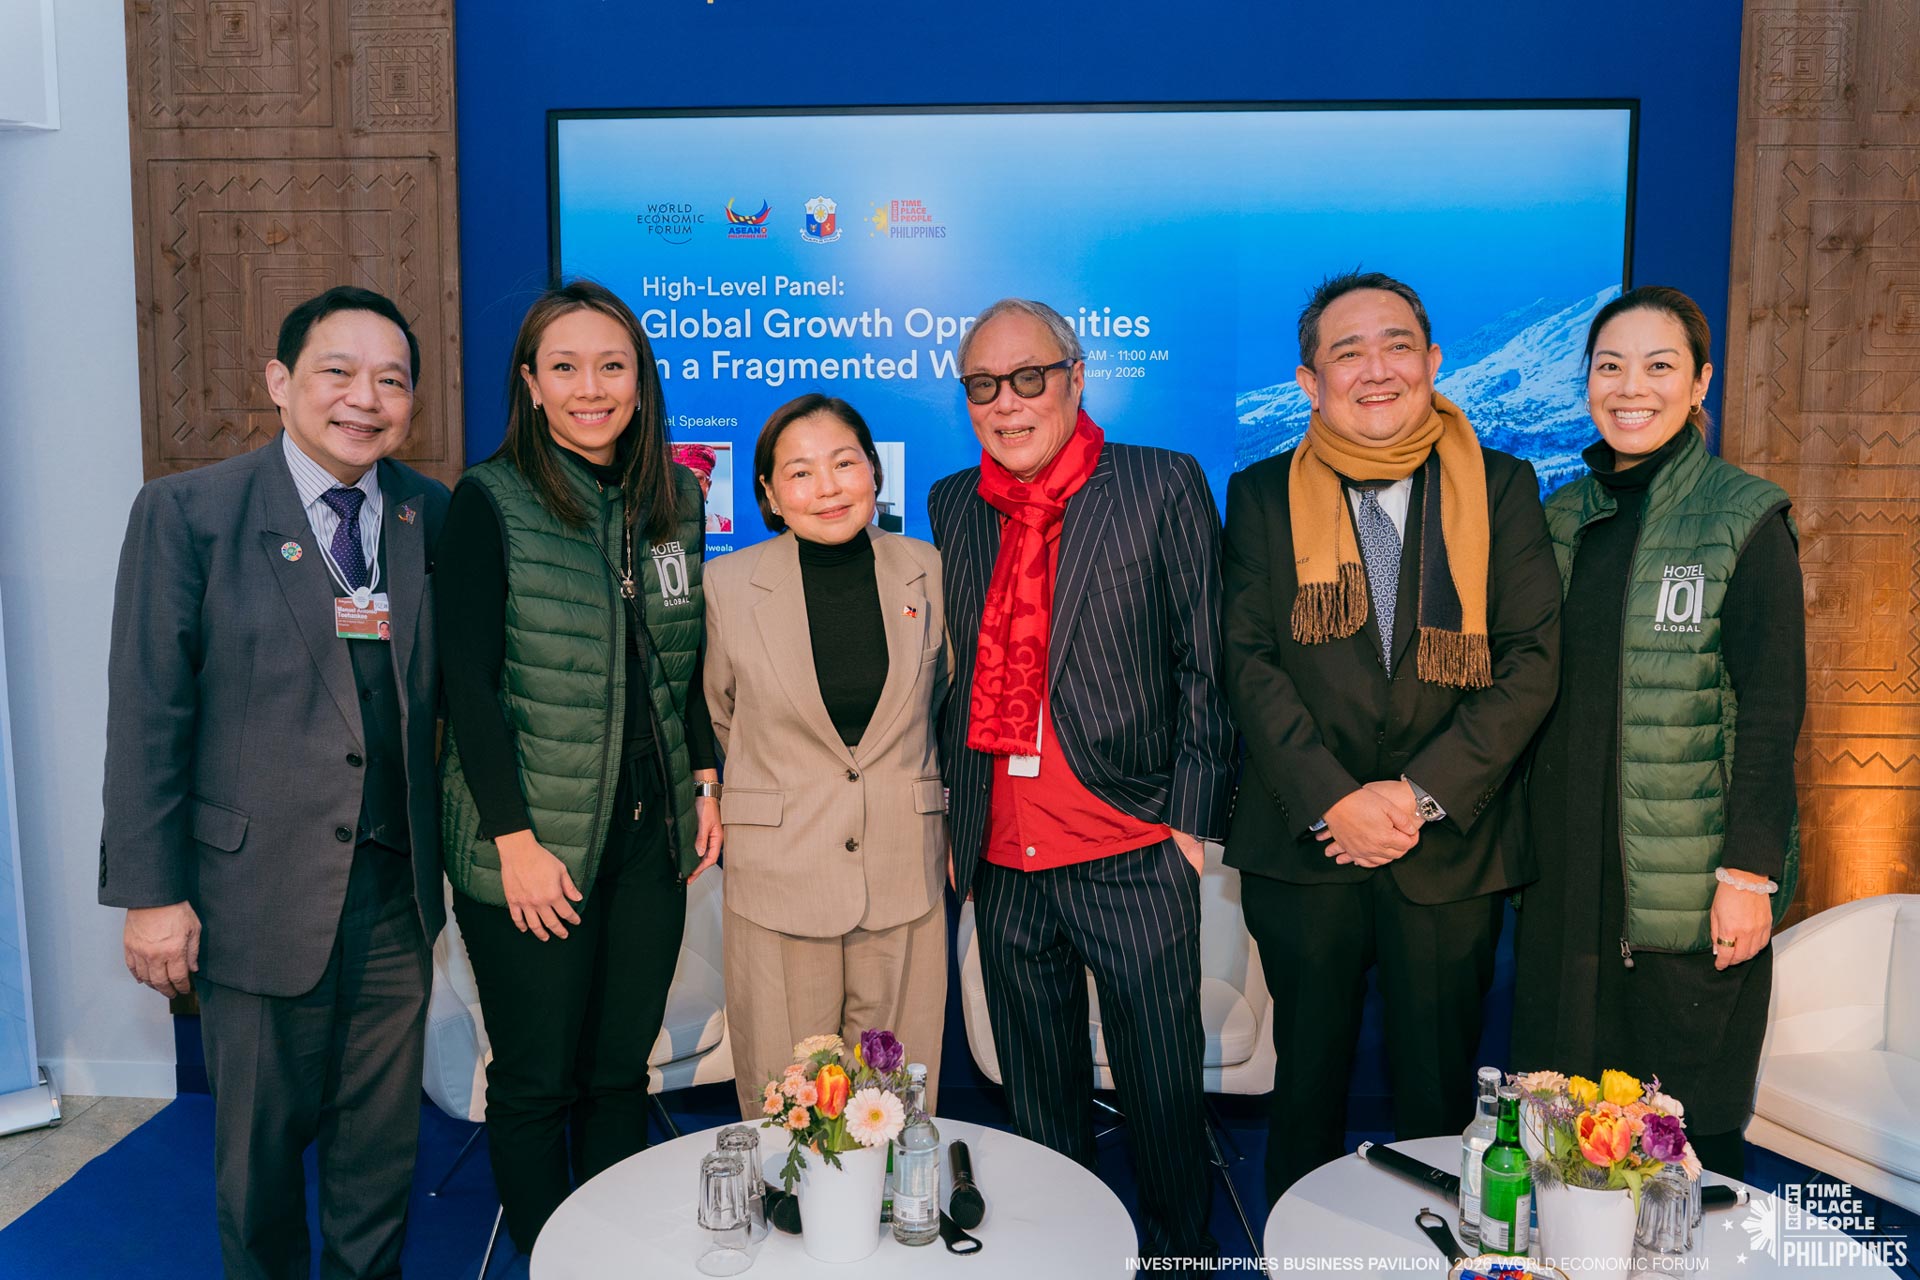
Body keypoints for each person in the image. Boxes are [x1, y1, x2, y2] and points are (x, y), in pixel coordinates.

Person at [102, 285, 449, 1279]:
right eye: (339, 372)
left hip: (394, 895)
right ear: (280, 382)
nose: (365, 399)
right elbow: (148, 715)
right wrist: (151, 895)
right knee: (256, 1166)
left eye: (392, 381)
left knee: (379, 1157)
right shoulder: (191, 512)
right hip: (250, 896)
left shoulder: (430, 514)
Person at [1220, 270, 1562, 1205]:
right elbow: (1247, 662)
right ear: (1309, 380)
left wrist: (1415, 796)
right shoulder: (1259, 495)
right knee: (1305, 1095)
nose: (1377, 369)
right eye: (1348, 352)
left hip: (1450, 848)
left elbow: (1533, 661)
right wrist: (1333, 798)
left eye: (1397, 345)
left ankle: (1436, 1256)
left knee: (1439, 1106)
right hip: (1307, 847)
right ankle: (1300, 1254)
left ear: (1434, 360)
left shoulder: (1501, 486)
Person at [929, 298, 1234, 1263]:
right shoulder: (952, 504)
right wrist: (958, 827)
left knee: (1162, 1095)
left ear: (1077, 376)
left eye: (1029, 378)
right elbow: (949, 681)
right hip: (1004, 861)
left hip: (1133, 844)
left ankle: (1179, 1258)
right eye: (984, 385)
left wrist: (1189, 827)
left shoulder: (1159, 482)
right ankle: (1065, 1259)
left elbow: (1207, 665)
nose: (1007, 403)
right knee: (1039, 1105)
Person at [435, 280, 722, 1253]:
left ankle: (605, 1257)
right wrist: (512, 842)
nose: (590, 388)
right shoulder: (491, 500)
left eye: (611, 366)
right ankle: (550, 1258)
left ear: (640, 380)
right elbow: (467, 688)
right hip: (534, 840)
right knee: (535, 1079)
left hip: (650, 837)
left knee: (616, 1074)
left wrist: (705, 778)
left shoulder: (675, 496)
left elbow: (682, 658)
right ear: (530, 383)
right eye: (564, 367)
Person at [1511, 286, 1804, 1179]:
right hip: (1567, 891)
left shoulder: (1744, 518)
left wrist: (1747, 875)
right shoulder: (1561, 517)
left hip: (1684, 899)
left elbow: (1772, 711)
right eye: (1610, 366)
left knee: (1683, 1153)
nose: (1630, 387)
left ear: (1701, 382)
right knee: (1562, 1142)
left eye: (1659, 365)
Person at [705, 394, 948, 1118]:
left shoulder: (929, 570)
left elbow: (947, 700)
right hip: (780, 872)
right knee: (788, 1101)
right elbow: (720, 713)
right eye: (801, 472)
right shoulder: (728, 584)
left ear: (874, 471)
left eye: (845, 463)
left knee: (893, 1102)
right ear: (769, 493)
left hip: (903, 869)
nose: (828, 487)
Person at [673, 441, 733, 533]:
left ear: (709, 485)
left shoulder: (726, 527)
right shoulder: (654, 528)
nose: (689, 486)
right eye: (681, 479)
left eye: (698, 479)